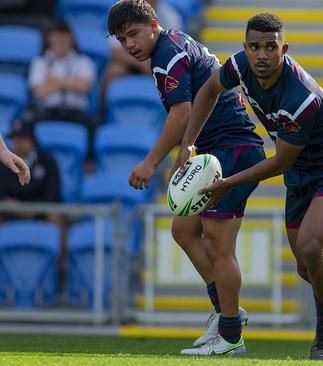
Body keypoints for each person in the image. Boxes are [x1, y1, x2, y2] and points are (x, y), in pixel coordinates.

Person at [173, 13, 323, 360]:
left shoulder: (300, 98)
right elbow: (208, 90)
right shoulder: (239, 66)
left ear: (284, 48)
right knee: (306, 266)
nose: (261, 54)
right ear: (245, 48)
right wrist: (188, 143)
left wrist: (226, 184)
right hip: (303, 172)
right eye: (254, 46)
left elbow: (280, 162)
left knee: (311, 249)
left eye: (270, 47)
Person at [107, 0, 262, 354]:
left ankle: (231, 336)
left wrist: (150, 162)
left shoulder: (166, 53)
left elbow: (181, 112)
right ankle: (227, 313)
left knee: (219, 247)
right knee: (183, 230)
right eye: (121, 40)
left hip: (232, 150)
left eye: (132, 34)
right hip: (223, 148)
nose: (129, 45)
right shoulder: (173, 43)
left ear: (152, 24)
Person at [100, 0, 182, 112]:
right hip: (130, 60)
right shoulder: (124, 11)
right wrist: (141, 63)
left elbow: (174, 48)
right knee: (114, 71)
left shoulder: (169, 15)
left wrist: (153, 62)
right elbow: (114, 50)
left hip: (158, 59)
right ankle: (103, 113)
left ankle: (171, 111)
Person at [28, 21, 96, 125]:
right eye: (57, 37)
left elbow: (84, 86)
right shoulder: (39, 63)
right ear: (49, 39)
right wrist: (71, 82)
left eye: (64, 38)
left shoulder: (83, 62)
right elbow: (39, 91)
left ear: (71, 39)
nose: (61, 42)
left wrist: (54, 81)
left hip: (76, 111)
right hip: (47, 110)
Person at [0, 121, 60, 223]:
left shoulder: (47, 161)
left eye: (22, 138)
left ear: (32, 139)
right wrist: (6, 201)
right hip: (10, 211)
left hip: (40, 210)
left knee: (54, 216)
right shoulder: (3, 163)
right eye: (15, 138)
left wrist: (33, 208)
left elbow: (53, 194)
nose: (18, 143)